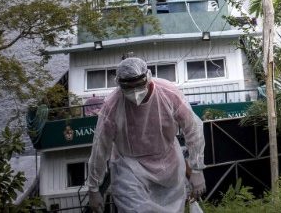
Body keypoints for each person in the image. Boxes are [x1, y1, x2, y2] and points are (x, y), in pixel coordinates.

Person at [86, 57, 206, 212]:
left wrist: (197, 169)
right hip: (129, 166)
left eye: (138, 85)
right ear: (119, 84)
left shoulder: (168, 94)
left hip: (168, 163)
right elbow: (100, 147)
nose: (135, 92)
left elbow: (193, 129)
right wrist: (93, 188)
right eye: (128, 88)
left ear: (148, 78)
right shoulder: (113, 106)